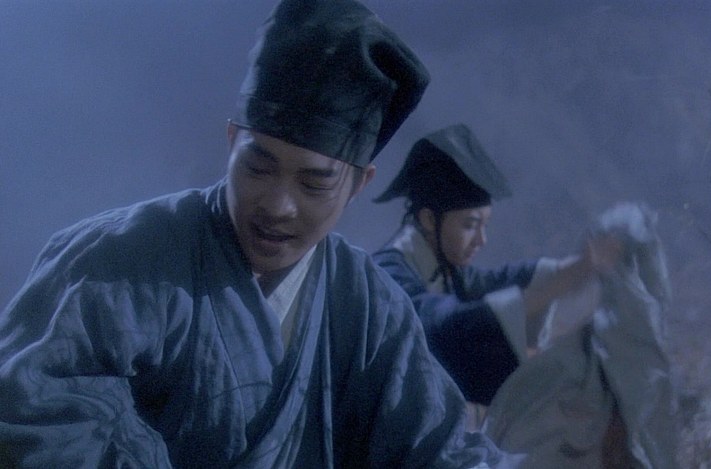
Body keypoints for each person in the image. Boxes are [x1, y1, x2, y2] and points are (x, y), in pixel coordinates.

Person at [0, 3, 509, 468]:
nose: (277, 206)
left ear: (358, 184)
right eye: (258, 167)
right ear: (232, 142)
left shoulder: (370, 306)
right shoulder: (117, 259)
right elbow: (32, 418)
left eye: (314, 183)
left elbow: (437, 448)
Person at [372, 123, 680, 468]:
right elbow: (449, 323)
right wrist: (569, 277)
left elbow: (498, 281)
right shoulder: (388, 276)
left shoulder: (443, 267)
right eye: (470, 225)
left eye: (484, 225)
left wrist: (579, 266)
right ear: (429, 219)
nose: (481, 240)